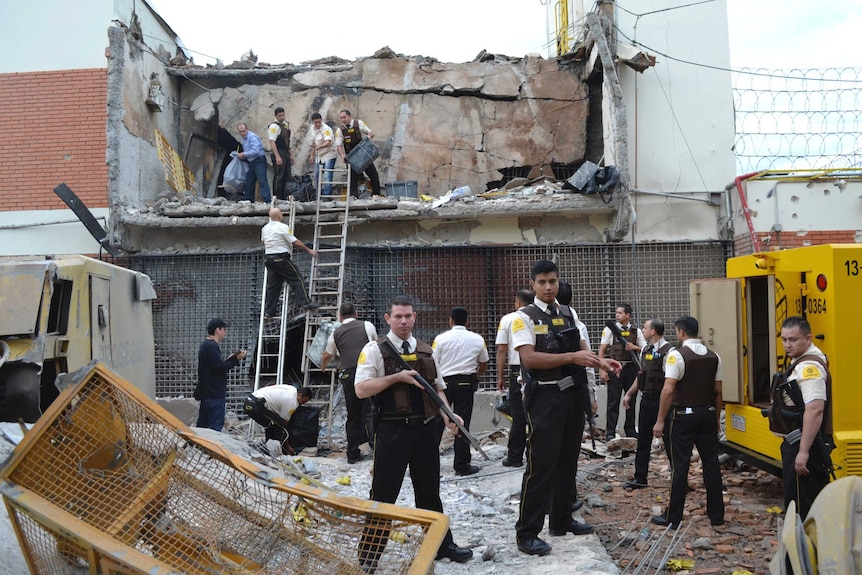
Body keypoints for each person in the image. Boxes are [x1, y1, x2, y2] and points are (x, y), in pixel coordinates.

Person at [512, 260, 622, 556]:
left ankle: (561, 520)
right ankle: (527, 533)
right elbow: (530, 359)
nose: (549, 287)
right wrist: (573, 358)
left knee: (568, 461)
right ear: (533, 284)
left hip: (573, 397)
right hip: (545, 399)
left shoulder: (568, 312)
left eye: (553, 281)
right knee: (540, 465)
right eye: (542, 282)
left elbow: (582, 351)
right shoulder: (522, 317)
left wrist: (602, 362)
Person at [354, 295, 473, 567]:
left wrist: (448, 415)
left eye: (408, 316)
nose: (404, 321)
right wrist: (396, 377)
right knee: (383, 495)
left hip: (424, 432)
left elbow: (438, 388)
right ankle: (369, 558)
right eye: (398, 316)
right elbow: (361, 389)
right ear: (388, 319)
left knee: (429, 493)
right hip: (391, 431)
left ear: (414, 317)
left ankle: (443, 545)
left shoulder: (425, 350)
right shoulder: (375, 350)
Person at [651, 316, 724, 528]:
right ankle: (716, 515)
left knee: (680, 467)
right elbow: (718, 391)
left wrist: (660, 420)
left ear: (681, 332)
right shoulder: (714, 356)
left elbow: (668, 389)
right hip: (708, 413)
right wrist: (717, 418)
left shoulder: (677, 356)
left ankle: (673, 518)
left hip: (682, 417)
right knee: (711, 464)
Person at [773, 316, 833, 519]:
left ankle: (802, 550)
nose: (787, 345)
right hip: (801, 441)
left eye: (793, 340)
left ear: (808, 338)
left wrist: (803, 451)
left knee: (801, 509)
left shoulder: (810, 369)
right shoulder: (805, 360)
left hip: (805, 443)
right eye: (784, 339)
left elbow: (815, 410)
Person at [432, 306, 489, 476]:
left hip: (444, 384)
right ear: (467, 321)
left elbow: (433, 361)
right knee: (462, 425)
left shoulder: (440, 339)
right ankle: (462, 466)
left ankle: (429, 463)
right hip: (466, 383)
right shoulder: (477, 339)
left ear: (450, 320)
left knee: (436, 424)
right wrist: (476, 375)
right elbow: (484, 361)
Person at [321, 302, 378, 463]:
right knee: (370, 409)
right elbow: (375, 347)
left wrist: (323, 368)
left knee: (353, 414)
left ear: (340, 317)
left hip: (348, 375)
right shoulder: (367, 326)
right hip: (367, 371)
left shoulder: (336, 332)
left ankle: (352, 454)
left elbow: (326, 354)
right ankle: (376, 448)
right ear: (356, 313)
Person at [622, 318, 672, 490]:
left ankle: (678, 479)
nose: (642, 330)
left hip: (662, 401)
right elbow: (641, 376)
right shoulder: (645, 349)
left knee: (670, 442)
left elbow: (669, 382)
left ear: (653, 332)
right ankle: (640, 477)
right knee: (643, 440)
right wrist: (628, 394)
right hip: (646, 401)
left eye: (645, 328)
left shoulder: (669, 352)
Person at [495, 289, 534, 468]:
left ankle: (515, 457)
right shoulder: (538, 316)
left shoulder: (509, 319)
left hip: (517, 369)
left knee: (518, 415)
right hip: (538, 367)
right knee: (537, 414)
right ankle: (535, 455)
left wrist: (500, 376)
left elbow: (502, 349)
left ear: (517, 302)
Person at [599, 303, 647, 439]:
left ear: (628, 315)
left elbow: (644, 349)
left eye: (620, 313)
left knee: (631, 400)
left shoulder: (636, 331)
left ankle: (630, 429)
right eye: (616, 313)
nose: (617, 315)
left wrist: (634, 347)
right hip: (615, 368)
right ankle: (610, 432)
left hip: (631, 368)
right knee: (613, 401)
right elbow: (602, 350)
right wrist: (602, 370)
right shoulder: (610, 330)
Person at [261, 207, 319, 318]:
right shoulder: (283, 227)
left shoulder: (265, 228)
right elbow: (295, 242)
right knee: (296, 279)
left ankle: (270, 311)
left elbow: (263, 241)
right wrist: (309, 250)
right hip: (281, 258)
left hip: (269, 259)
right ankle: (305, 302)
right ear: (279, 216)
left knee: (273, 286)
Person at [195, 318, 247, 431]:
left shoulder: (205, 345)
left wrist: (228, 360)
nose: (225, 332)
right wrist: (235, 360)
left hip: (206, 393)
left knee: (202, 427)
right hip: (214, 394)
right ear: (218, 330)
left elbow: (213, 366)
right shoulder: (212, 346)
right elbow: (219, 368)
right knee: (215, 428)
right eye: (223, 329)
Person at [243, 384, 311, 455]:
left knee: (271, 425)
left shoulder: (292, 389)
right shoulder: (292, 402)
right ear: (300, 395)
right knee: (278, 426)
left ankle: (268, 449)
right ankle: (275, 452)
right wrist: (287, 446)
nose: (304, 403)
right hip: (254, 406)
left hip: (251, 401)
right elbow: (284, 424)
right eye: (304, 401)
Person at [335, 109, 381, 198]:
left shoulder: (359, 124)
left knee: (374, 175)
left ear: (349, 116)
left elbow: (371, 133)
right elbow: (338, 145)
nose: (343, 119)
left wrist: (368, 137)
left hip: (363, 155)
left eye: (344, 117)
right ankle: (353, 197)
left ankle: (376, 194)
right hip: (352, 158)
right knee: (353, 178)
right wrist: (342, 155)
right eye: (341, 118)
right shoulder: (340, 130)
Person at [237, 123, 271, 203]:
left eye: (243, 131)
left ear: (247, 129)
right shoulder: (244, 139)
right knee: (249, 181)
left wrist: (244, 154)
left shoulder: (252, 137)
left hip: (259, 161)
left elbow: (256, 150)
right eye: (240, 132)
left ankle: (267, 200)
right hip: (252, 162)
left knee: (262, 181)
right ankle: (248, 200)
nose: (242, 133)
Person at [309, 112, 338, 197]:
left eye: (319, 122)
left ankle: (326, 195)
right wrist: (312, 155)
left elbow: (328, 142)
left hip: (329, 153)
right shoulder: (312, 129)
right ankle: (318, 195)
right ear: (312, 122)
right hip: (319, 155)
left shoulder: (326, 129)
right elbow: (313, 142)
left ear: (321, 120)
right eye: (315, 122)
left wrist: (319, 146)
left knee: (327, 176)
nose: (317, 124)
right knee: (317, 175)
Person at [267, 107, 291, 200]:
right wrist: (277, 156)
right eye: (279, 115)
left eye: (283, 115)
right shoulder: (274, 127)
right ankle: (276, 197)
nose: (282, 117)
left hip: (285, 151)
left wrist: (290, 154)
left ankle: (284, 196)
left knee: (286, 175)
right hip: (278, 151)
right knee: (279, 176)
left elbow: (287, 141)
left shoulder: (285, 125)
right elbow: (272, 142)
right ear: (276, 116)